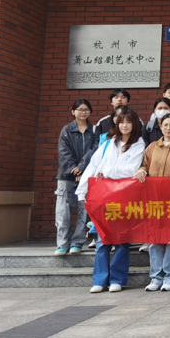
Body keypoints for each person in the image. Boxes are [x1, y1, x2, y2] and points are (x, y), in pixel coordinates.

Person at [76, 107, 145, 294]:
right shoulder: (108, 143)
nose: (125, 126)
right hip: (103, 197)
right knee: (102, 240)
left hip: (124, 197)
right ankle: (99, 280)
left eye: (128, 122)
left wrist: (106, 173)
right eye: (121, 122)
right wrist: (82, 191)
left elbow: (130, 171)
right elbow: (93, 166)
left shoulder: (139, 144)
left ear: (134, 124)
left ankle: (117, 279)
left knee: (121, 240)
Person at [134, 112, 170, 292]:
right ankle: (156, 276)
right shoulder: (152, 147)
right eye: (165, 125)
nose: (168, 128)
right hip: (154, 199)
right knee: (154, 239)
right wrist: (141, 171)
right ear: (160, 127)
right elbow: (144, 165)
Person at [56, 99, 96, 256]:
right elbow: (63, 152)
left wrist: (82, 169)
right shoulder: (66, 130)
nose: (83, 112)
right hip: (66, 176)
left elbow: (95, 150)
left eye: (86, 109)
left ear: (90, 112)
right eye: (80, 109)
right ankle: (62, 244)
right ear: (73, 112)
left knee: (83, 210)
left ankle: (77, 243)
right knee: (63, 211)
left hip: (87, 175)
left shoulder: (94, 130)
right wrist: (75, 170)